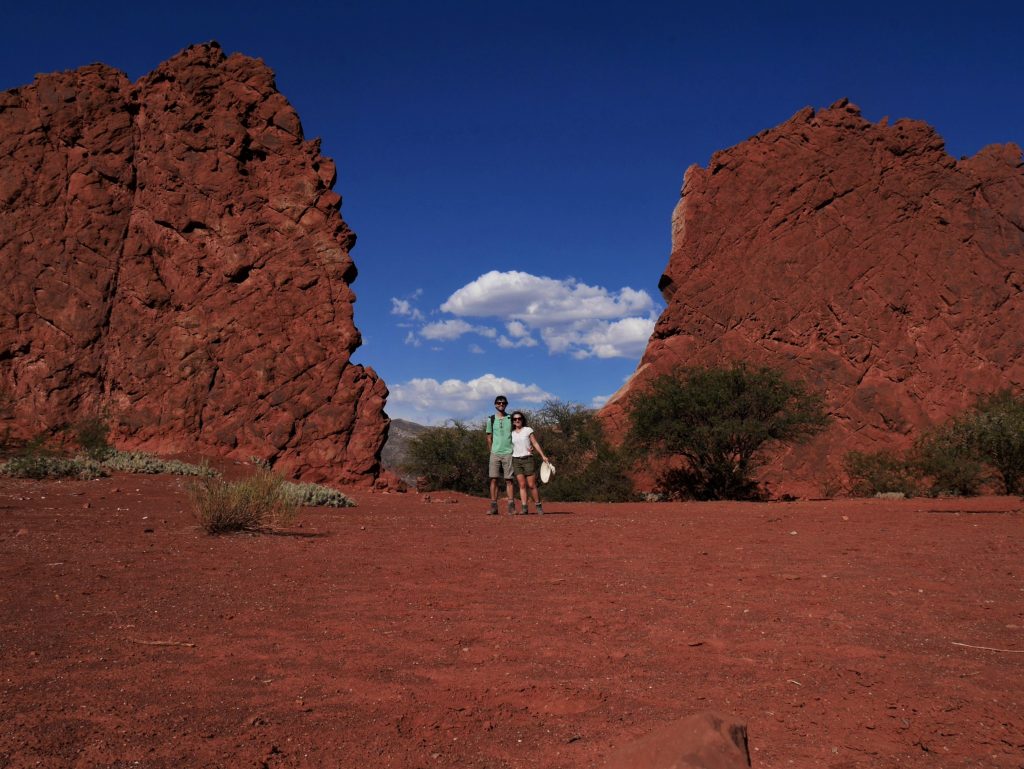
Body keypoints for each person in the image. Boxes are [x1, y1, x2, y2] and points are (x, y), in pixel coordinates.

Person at [510, 411, 551, 515]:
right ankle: (524, 508)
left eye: (519, 418)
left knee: (532, 484)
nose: (517, 420)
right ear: (513, 421)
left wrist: (543, 455)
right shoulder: (511, 433)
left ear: (522, 419)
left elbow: (534, 442)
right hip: (516, 460)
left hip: (528, 459)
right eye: (515, 419)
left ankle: (538, 506)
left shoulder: (528, 430)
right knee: (522, 485)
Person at [485, 395, 515, 515]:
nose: (501, 405)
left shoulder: (511, 418)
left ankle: (511, 507)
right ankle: (494, 507)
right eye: (498, 403)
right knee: (493, 479)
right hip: (495, 453)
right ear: (495, 404)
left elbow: (517, 433)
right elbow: (489, 437)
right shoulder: (491, 419)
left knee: (509, 480)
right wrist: (491, 450)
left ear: (506, 404)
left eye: (503, 403)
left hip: (508, 452)